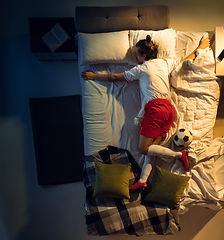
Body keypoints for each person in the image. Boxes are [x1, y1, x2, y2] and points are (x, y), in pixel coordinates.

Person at [81, 35, 210, 190]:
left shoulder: (142, 69)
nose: (135, 56)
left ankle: (179, 155)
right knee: (151, 150)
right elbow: (184, 60)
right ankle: (143, 180)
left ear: (143, 55)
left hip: (156, 110)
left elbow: (115, 76)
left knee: (143, 149)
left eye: (137, 53)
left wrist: (93, 76)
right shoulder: (165, 63)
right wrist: (200, 47)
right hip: (169, 111)